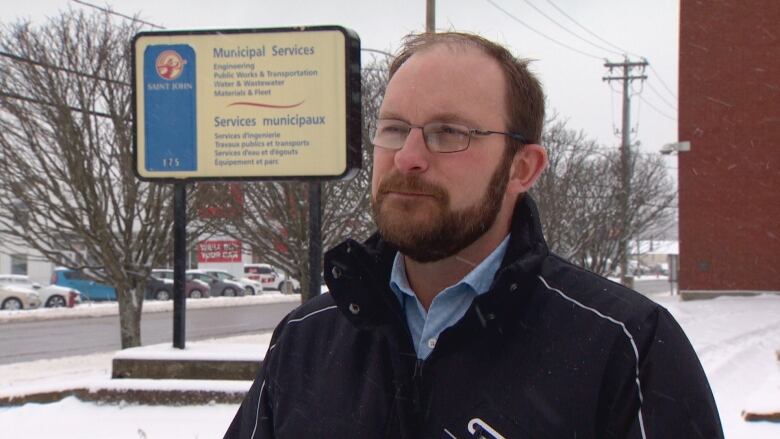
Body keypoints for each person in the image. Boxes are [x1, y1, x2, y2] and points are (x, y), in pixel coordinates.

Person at [225, 32, 723, 439]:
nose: (408, 157)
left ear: (522, 168)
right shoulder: (307, 339)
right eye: (395, 129)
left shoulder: (624, 347)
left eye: (449, 133)